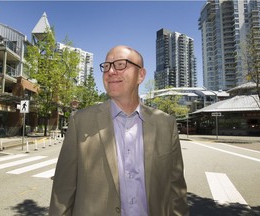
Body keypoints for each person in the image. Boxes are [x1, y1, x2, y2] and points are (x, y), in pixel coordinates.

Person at [49, 45, 189, 216]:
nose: (111, 71)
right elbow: (63, 191)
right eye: (106, 66)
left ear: (141, 75)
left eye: (121, 64)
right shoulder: (80, 122)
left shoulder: (166, 124)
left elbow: (176, 191)